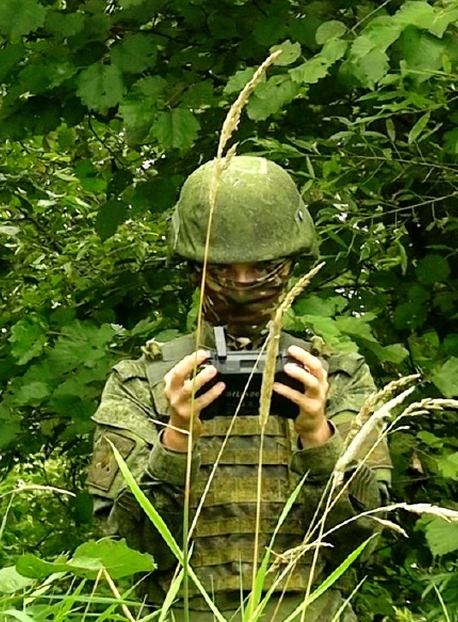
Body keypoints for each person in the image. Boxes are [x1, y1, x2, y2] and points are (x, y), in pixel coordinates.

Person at [87, 155, 391, 621]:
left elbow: (364, 538)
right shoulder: (141, 384)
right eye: (224, 269)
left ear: (290, 266)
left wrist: (317, 436)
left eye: (262, 267)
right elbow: (129, 549)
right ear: (194, 268)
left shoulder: (338, 379)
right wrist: (177, 437)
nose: (244, 283)